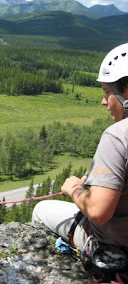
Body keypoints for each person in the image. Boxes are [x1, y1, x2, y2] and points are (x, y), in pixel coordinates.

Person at [32, 43, 128, 250]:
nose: (104, 102)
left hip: (114, 243)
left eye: (106, 92)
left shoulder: (118, 135)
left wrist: (73, 188)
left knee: (41, 209)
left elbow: (98, 212)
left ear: (126, 91)